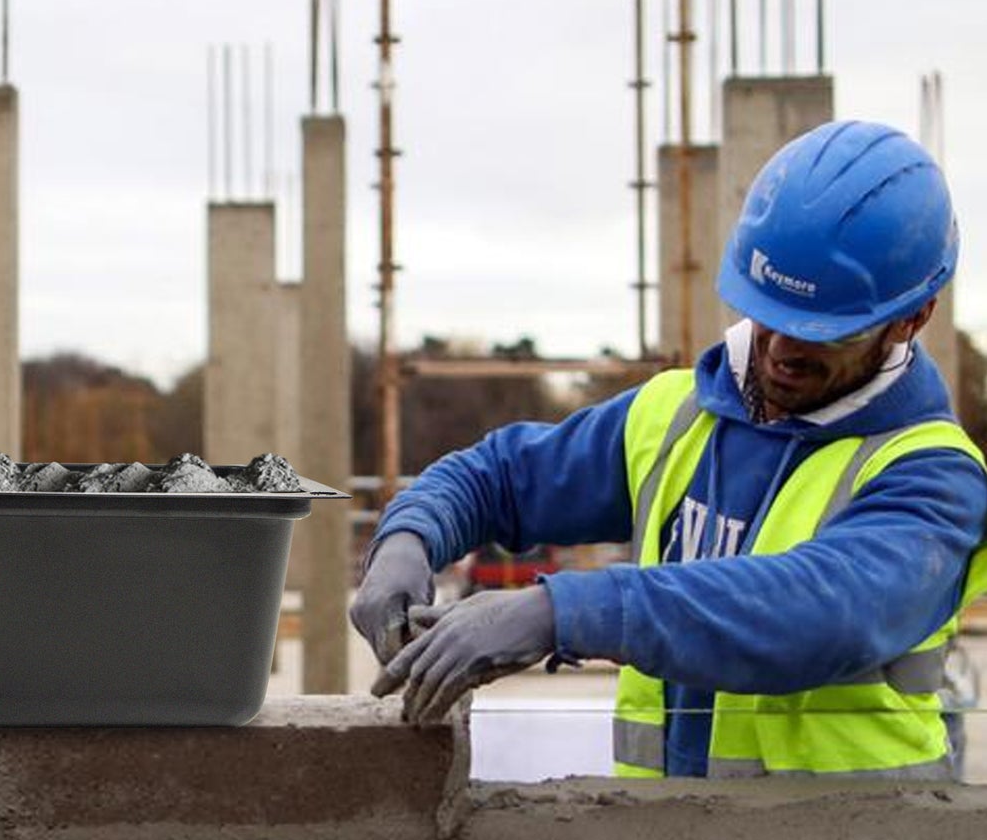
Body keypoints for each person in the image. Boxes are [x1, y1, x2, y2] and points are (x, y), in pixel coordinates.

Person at [353, 120, 987, 779]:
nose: (780, 351)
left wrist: (560, 611)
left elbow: (818, 615)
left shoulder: (932, 476)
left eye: (825, 333)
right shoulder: (676, 414)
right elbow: (499, 477)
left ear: (912, 318)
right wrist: (407, 536)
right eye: (766, 311)